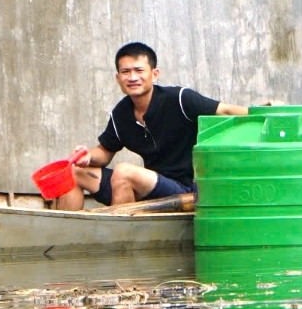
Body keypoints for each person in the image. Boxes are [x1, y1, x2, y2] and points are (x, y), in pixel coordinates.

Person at [55, 42, 248, 210]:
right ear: (118, 78)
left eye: (139, 71)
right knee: (71, 172)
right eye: (125, 72)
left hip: (184, 190)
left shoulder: (180, 99)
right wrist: (87, 156)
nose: (132, 77)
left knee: (123, 172)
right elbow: (104, 152)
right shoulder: (121, 114)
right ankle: (65, 237)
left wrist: (262, 113)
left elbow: (226, 111)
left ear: (154, 74)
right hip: (148, 186)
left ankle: (121, 237)